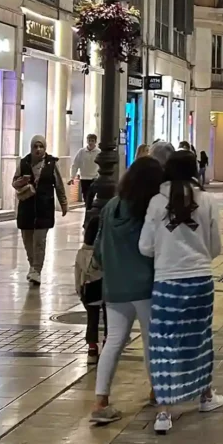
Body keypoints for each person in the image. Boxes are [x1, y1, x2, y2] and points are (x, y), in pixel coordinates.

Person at [139, 151, 223, 434]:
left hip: (167, 281)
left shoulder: (155, 202)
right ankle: (205, 395)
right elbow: (215, 247)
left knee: (163, 343)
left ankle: (164, 412)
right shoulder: (208, 201)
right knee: (199, 338)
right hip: (200, 280)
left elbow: (145, 247)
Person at [89, 156, 165, 425]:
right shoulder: (148, 210)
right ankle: (157, 391)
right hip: (145, 285)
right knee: (151, 342)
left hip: (115, 286)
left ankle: (101, 401)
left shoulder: (110, 207)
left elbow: (98, 249)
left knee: (113, 342)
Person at [12, 135, 67, 286]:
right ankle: (32, 266)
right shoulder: (24, 163)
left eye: (41, 146)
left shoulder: (51, 163)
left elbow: (59, 184)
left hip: (44, 208)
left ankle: (37, 270)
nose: (38, 149)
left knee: (40, 241)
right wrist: (21, 181)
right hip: (26, 209)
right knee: (27, 240)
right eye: (35, 146)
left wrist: (63, 203)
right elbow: (14, 182)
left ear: (45, 148)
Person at [75, 217, 106, 364]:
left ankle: (92, 349)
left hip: (88, 289)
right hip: (105, 288)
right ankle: (107, 342)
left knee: (92, 320)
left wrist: (80, 291)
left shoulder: (82, 252)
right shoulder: (104, 251)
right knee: (109, 318)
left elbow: (77, 274)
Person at [70, 134, 100, 206]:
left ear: (95, 142)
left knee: (90, 197)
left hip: (94, 178)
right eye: (89, 140)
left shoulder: (99, 152)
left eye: (92, 141)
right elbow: (75, 164)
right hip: (84, 178)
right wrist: (72, 177)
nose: (90, 142)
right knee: (86, 197)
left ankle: (88, 213)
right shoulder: (81, 152)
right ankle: (88, 212)